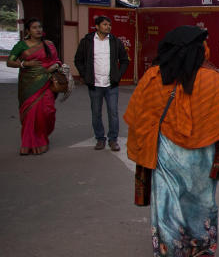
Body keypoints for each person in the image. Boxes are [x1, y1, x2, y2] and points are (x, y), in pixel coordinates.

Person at [124, 26, 219, 257]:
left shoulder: (153, 77)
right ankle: (202, 249)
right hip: (201, 159)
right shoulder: (211, 79)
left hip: (165, 157)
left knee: (167, 209)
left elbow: (139, 118)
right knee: (201, 204)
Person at [6, 18, 62, 155]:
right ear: (28, 31)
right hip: (28, 86)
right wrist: (24, 64)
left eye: (40, 27)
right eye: (34, 27)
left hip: (46, 83)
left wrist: (54, 66)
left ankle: (42, 138)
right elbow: (9, 62)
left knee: (47, 112)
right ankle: (28, 144)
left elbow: (57, 61)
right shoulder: (22, 45)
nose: (38, 30)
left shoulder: (49, 44)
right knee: (30, 114)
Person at [74, 15, 130, 151]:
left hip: (111, 84)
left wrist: (118, 75)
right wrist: (85, 75)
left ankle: (113, 140)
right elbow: (78, 60)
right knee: (96, 113)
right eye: (105, 24)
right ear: (97, 26)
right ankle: (100, 138)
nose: (108, 27)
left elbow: (124, 60)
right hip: (95, 84)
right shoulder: (87, 41)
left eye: (109, 25)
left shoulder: (115, 42)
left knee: (113, 113)